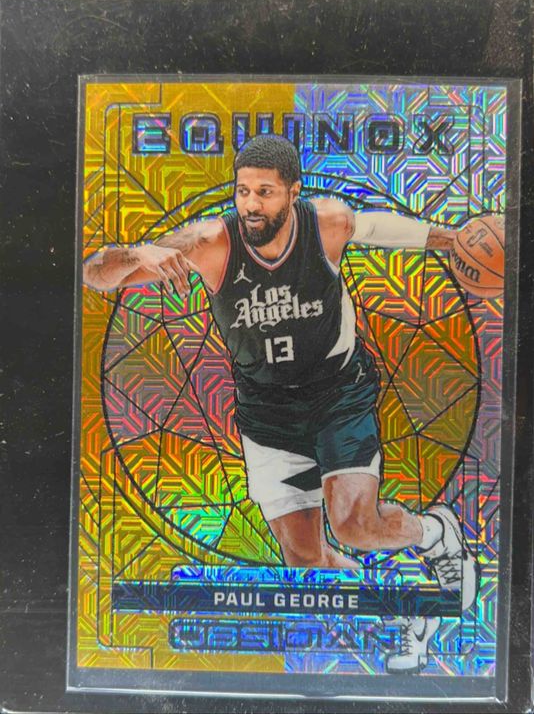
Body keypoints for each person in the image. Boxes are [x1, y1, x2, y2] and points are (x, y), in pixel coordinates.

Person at [83, 134, 477, 673]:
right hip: (266, 413)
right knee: (307, 561)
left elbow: (381, 228)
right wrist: (136, 253)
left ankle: (435, 533)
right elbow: (95, 275)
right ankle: (402, 610)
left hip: (337, 394)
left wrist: (455, 240)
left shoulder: (326, 223)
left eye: (264, 192)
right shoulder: (209, 243)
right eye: (243, 191)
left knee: (352, 525)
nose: (250, 204)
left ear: (293, 192)